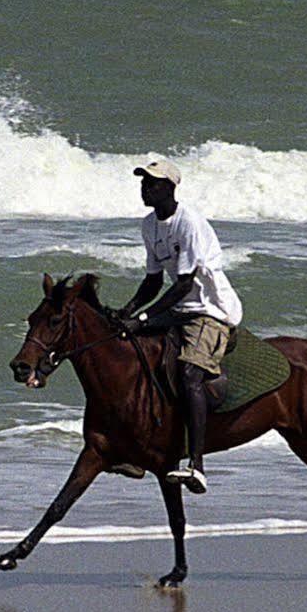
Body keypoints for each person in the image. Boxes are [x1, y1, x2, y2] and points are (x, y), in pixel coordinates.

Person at [115, 158, 243, 494]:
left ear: (170, 188)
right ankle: (136, 450)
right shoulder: (149, 225)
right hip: (179, 308)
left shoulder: (190, 223)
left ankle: (197, 464)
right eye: (143, 182)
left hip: (209, 311)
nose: (145, 188)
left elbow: (184, 284)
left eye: (152, 183)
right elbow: (153, 280)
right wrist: (127, 310)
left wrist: (144, 318)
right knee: (135, 356)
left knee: (189, 373)